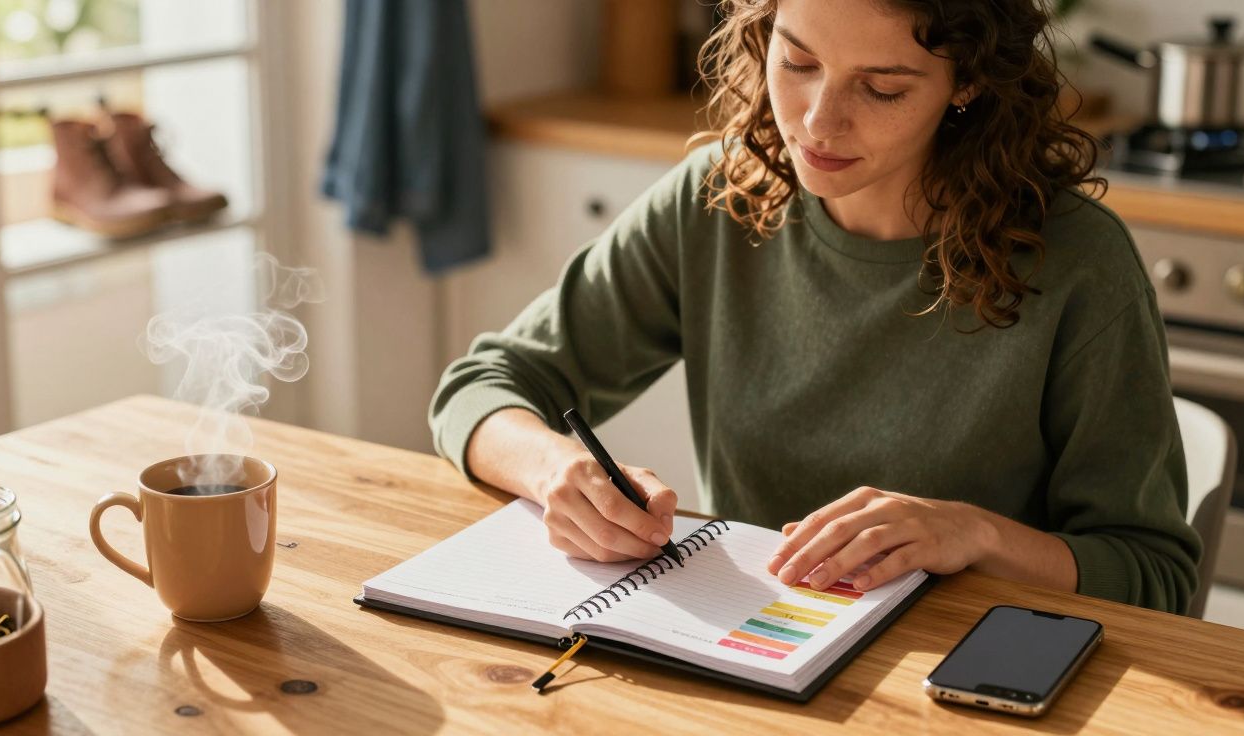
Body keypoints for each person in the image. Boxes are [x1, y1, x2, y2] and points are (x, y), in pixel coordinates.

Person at [429, 0, 1201, 614]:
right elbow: (483, 385)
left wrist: (971, 533)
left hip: (964, 682)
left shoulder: (1078, 264)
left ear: (966, 83)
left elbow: (1151, 573)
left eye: (882, 87)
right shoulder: (719, 201)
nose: (817, 122)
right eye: (797, 61)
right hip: (760, 646)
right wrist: (556, 470)